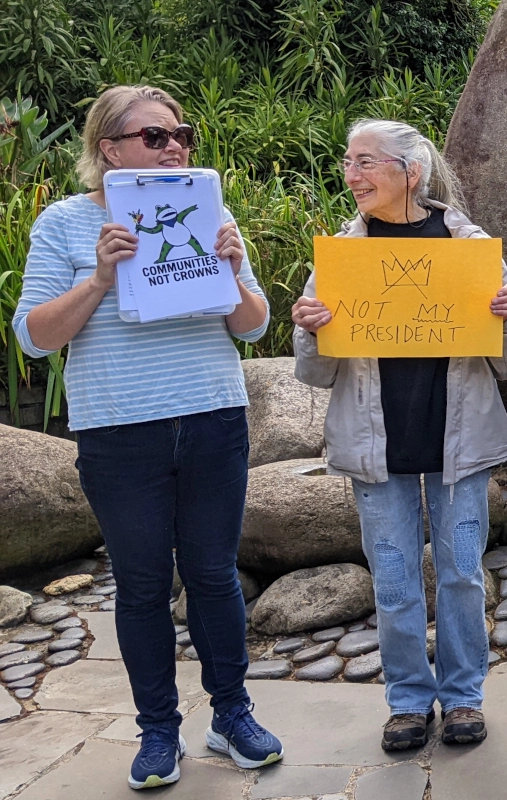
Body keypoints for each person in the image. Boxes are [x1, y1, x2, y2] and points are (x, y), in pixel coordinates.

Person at [13, 85, 283, 790]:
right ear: (109, 149)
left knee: (214, 575)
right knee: (140, 585)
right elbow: (35, 336)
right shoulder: (65, 223)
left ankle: (232, 715)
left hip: (212, 417)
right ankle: (158, 730)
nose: (175, 148)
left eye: (182, 135)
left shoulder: (210, 209)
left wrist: (233, 272)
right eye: (156, 136)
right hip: (119, 430)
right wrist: (101, 278)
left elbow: (253, 324)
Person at [292, 119, 507, 751]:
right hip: (377, 448)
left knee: (462, 575)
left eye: (365, 161)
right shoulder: (341, 257)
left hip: (460, 444)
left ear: (410, 172)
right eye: (348, 162)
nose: (352, 174)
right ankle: (408, 701)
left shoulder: (471, 249)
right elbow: (315, 373)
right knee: (394, 582)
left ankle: (463, 696)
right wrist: (309, 328)